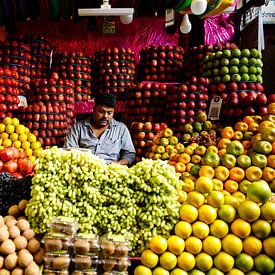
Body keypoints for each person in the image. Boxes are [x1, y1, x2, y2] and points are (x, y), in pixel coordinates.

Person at [64, 92, 136, 166]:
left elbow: (129, 154)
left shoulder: (121, 129)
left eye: (109, 113)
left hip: (111, 172)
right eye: (101, 112)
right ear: (94, 109)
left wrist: (118, 164)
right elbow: (68, 150)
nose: (105, 116)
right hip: (84, 171)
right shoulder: (78, 127)